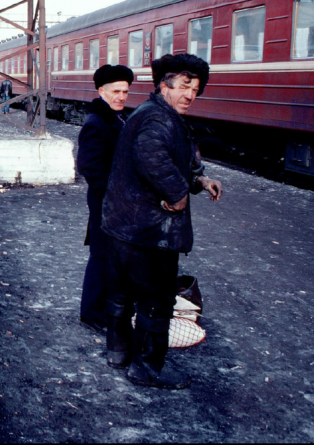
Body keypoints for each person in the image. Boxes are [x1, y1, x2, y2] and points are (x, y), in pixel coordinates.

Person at [101, 53, 222, 390]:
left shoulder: (152, 113)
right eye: (184, 86)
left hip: (124, 225)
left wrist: (199, 181)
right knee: (157, 301)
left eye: (195, 90)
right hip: (150, 232)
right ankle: (147, 368)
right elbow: (152, 154)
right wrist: (177, 191)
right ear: (164, 84)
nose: (190, 95)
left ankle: (118, 352)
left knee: (122, 293)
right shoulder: (159, 119)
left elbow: (172, 157)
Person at [75, 65, 134, 334]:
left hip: (118, 202)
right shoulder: (96, 123)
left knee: (113, 256)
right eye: (116, 91)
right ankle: (91, 313)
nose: (121, 96)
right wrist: (112, 194)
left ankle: (104, 308)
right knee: (100, 255)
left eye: (125, 91)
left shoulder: (116, 118)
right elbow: (89, 167)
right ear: (101, 91)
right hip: (104, 202)